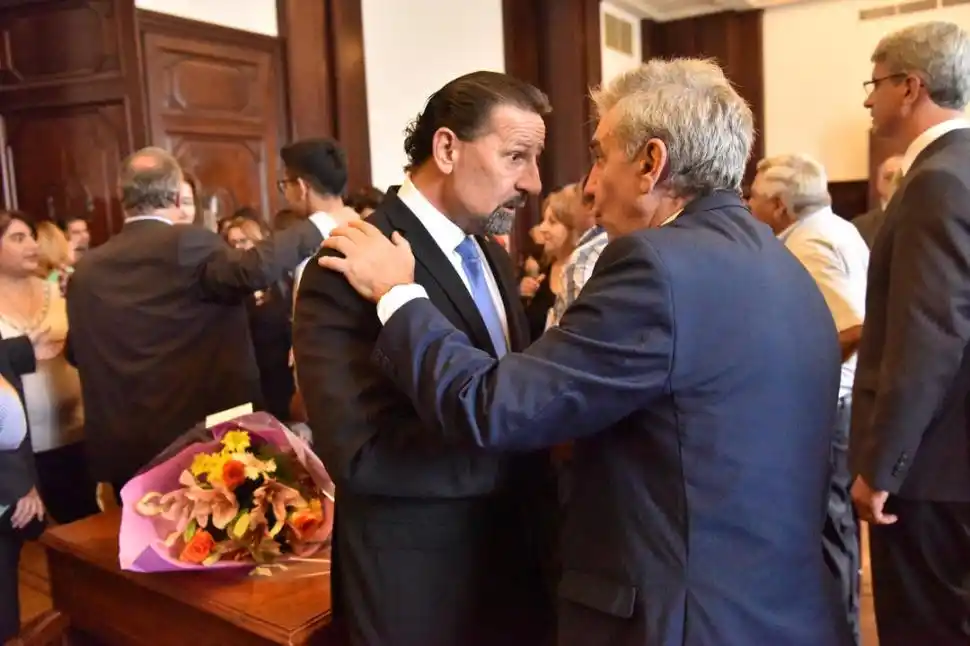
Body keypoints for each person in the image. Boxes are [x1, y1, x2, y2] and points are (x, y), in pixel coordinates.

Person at [319, 59, 849, 646]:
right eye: (517, 157)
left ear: (651, 163)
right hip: (775, 608)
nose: (585, 186)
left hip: (682, 616)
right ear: (447, 149)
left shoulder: (657, 267)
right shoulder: (780, 263)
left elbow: (499, 405)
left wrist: (398, 296)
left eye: (600, 156)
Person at [294, 71, 555, 646]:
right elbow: (360, 454)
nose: (533, 182)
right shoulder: (351, 262)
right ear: (446, 147)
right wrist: (520, 450)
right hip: (417, 585)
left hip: (508, 566)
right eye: (517, 157)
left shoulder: (492, 253)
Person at [65, 147, 333, 493]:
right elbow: (251, 270)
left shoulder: (87, 270)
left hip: (123, 448)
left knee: (136, 542)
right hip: (197, 445)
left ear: (123, 197)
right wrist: (318, 226)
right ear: (177, 196)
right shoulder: (189, 244)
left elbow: (76, 350)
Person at [851, 21, 970, 646]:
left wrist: (883, 466)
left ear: (909, 86)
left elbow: (928, 336)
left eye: (874, 83)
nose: (868, 99)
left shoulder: (936, 181)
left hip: (930, 473)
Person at [748, 153, 870, 645]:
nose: (747, 204)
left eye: (753, 197)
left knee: (832, 534)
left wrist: (798, 377)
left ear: (780, 204)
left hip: (830, 407)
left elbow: (851, 325)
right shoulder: (832, 229)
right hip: (843, 404)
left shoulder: (812, 241)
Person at [852, 154, 902, 248]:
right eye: (889, 177)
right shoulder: (858, 227)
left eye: (899, 178)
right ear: (878, 182)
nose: (893, 183)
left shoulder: (924, 222)